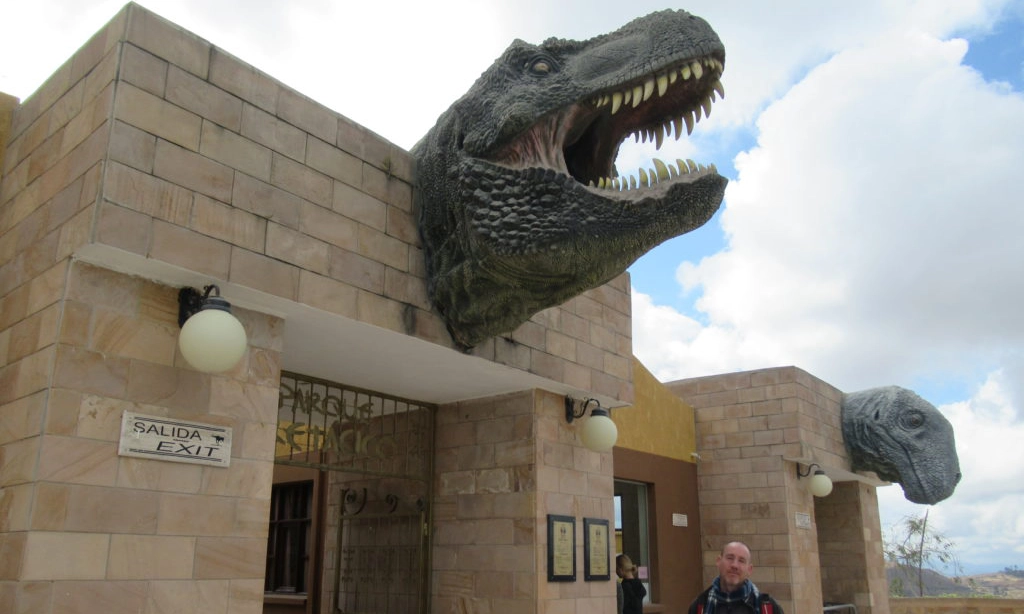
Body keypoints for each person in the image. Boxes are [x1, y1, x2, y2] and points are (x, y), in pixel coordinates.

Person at [687, 541, 784, 614]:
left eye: (741, 561)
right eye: (730, 558)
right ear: (718, 561)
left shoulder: (768, 608)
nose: (734, 565)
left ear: (749, 569)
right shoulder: (700, 606)